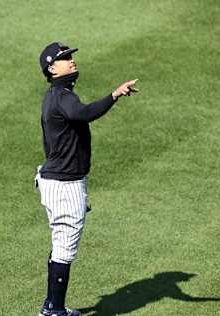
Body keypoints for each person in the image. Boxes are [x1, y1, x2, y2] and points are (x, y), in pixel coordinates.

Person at [35, 42, 138, 316]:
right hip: (63, 183)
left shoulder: (56, 95)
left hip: (58, 180)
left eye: (70, 56)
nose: (71, 61)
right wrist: (114, 95)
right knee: (64, 247)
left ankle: (50, 305)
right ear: (52, 68)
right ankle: (54, 310)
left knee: (61, 243)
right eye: (64, 58)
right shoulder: (63, 97)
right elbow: (85, 114)